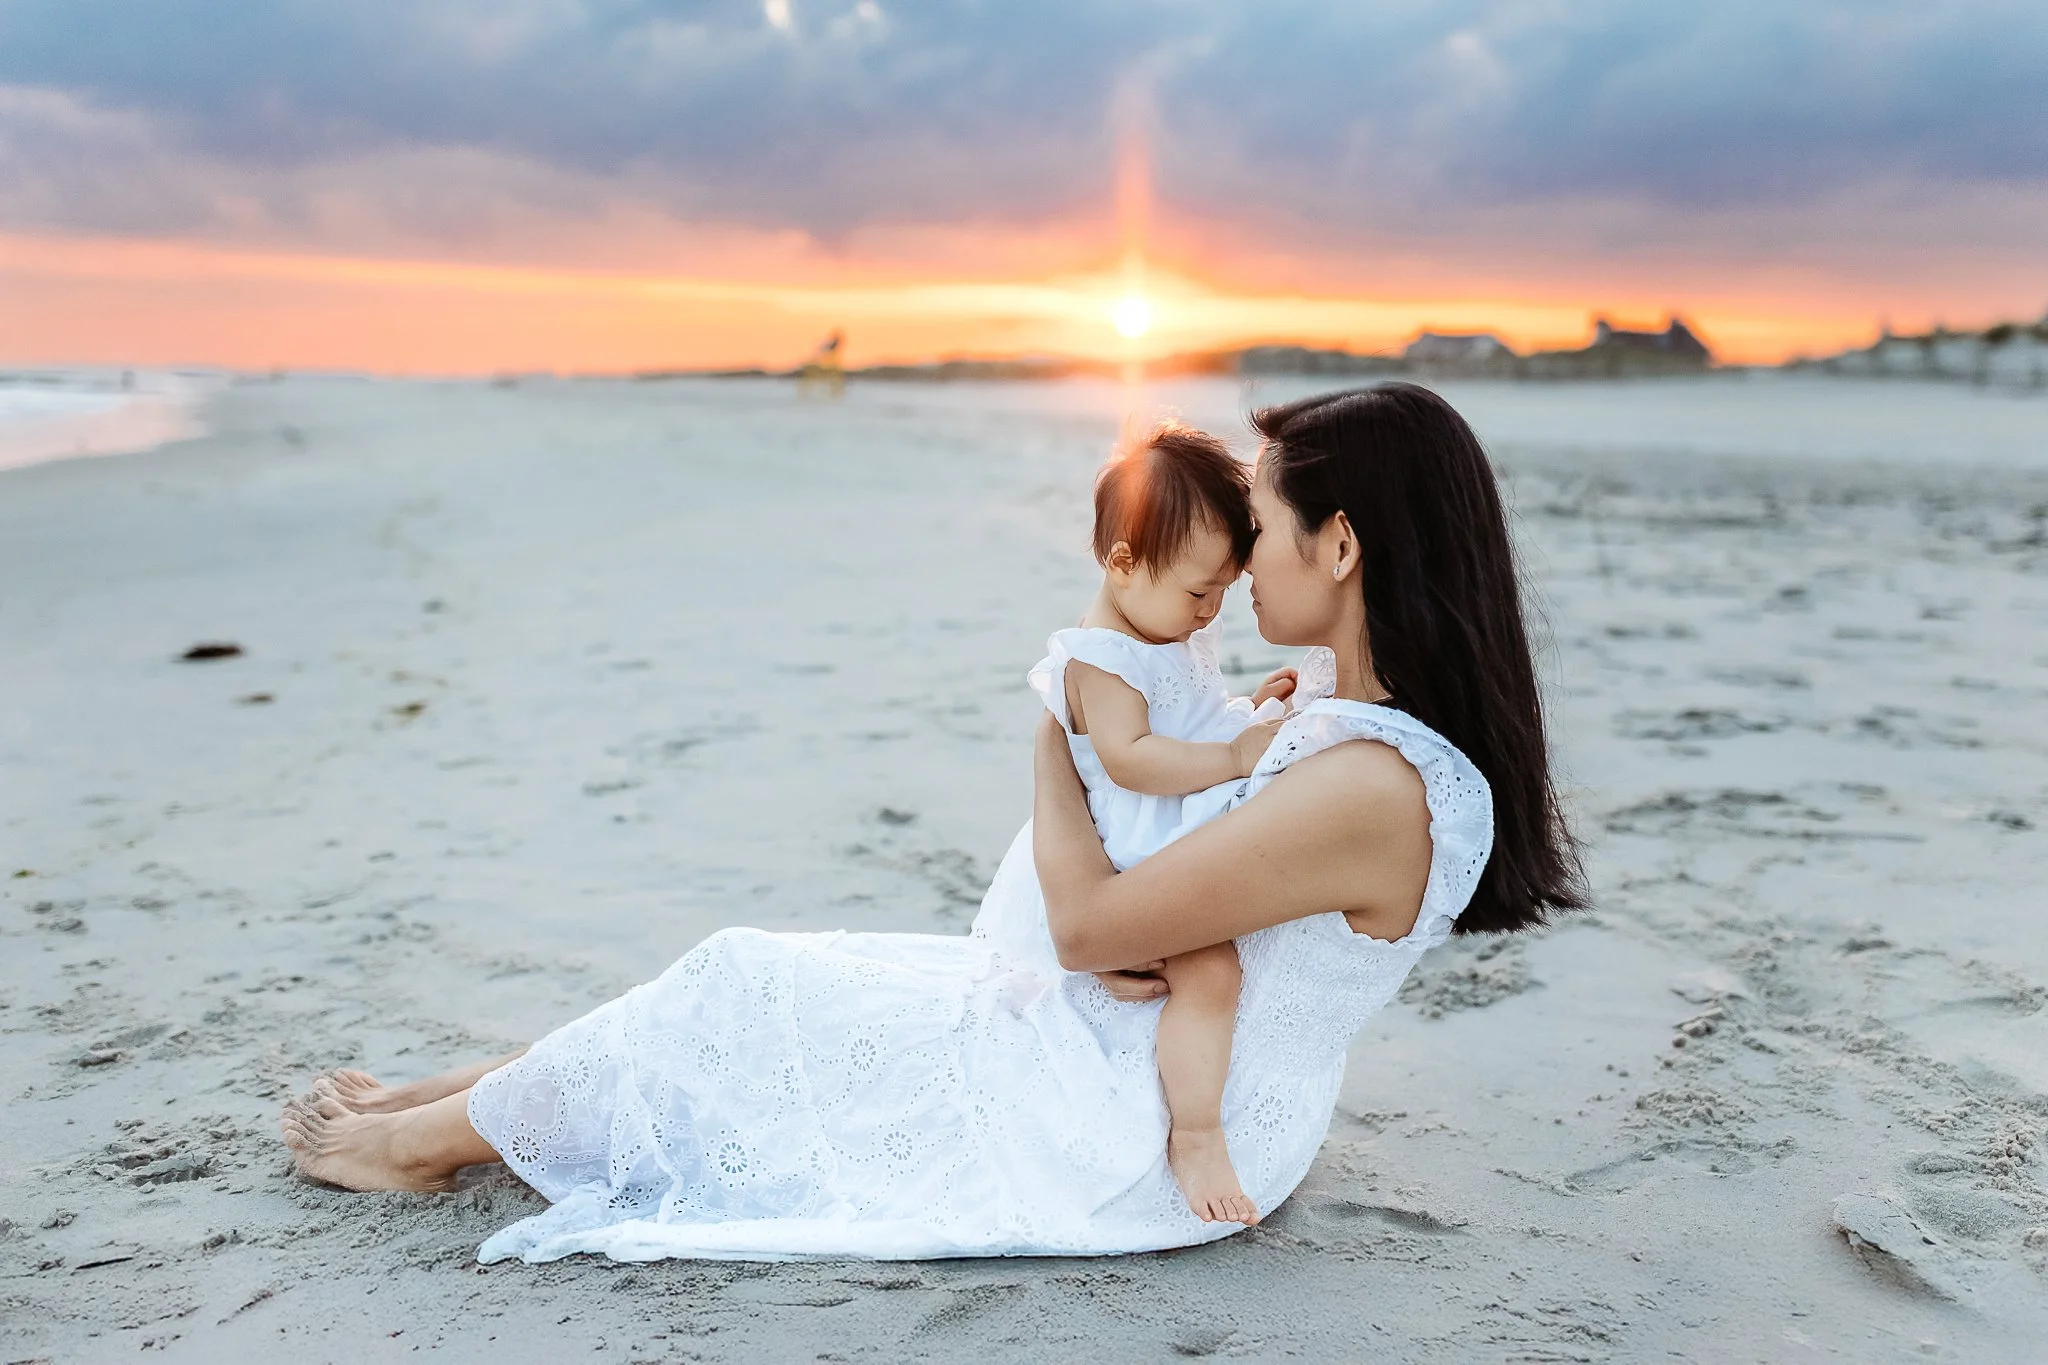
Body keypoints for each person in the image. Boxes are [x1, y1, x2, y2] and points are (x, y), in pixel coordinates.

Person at [279, 382, 1586, 1265]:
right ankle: (453, 1102)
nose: (1247, 555)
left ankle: (412, 1145)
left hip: (1144, 1131)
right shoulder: (1346, 734)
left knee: (757, 984)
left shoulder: (1371, 786)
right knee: (777, 983)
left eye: (1272, 520)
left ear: (1343, 546)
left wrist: (1053, 740)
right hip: (1137, 1056)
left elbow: (1084, 925)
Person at [998, 420, 1292, 1225]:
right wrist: (1236, 758)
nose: (1209, 611)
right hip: (1143, 845)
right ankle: (1195, 1132)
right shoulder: (1102, 659)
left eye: (1222, 593)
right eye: (1200, 592)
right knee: (1211, 971)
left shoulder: (1162, 627)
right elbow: (1133, 759)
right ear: (1123, 562)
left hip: (1182, 807)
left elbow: (1188, 720)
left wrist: (1245, 710)